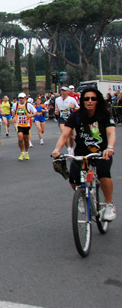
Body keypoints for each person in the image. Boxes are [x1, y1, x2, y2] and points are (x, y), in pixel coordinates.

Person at [52, 87, 116, 221]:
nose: (90, 101)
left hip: (101, 152)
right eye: (87, 99)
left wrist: (110, 147)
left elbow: (111, 133)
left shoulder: (104, 115)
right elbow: (65, 134)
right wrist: (57, 150)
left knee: (104, 174)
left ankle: (109, 205)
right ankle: (82, 197)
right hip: (82, 152)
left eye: (93, 98)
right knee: (73, 178)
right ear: (82, 101)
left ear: (97, 101)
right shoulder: (76, 116)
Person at [12, 93, 38, 161]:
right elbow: (13, 112)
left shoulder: (28, 105)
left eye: (22, 98)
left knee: (26, 139)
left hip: (26, 124)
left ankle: (26, 152)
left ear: (25, 98)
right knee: (20, 138)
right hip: (19, 124)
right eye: (20, 98)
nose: (21, 99)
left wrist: (31, 115)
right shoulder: (16, 105)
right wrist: (14, 117)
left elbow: (36, 112)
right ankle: (22, 152)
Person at [54, 86, 80, 155]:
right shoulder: (57, 100)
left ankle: (71, 148)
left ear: (67, 92)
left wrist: (73, 107)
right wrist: (56, 111)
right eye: (62, 91)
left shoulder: (72, 99)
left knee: (71, 136)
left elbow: (78, 108)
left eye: (65, 91)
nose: (63, 92)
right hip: (62, 118)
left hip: (70, 118)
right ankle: (68, 149)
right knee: (64, 133)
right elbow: (56, 108)